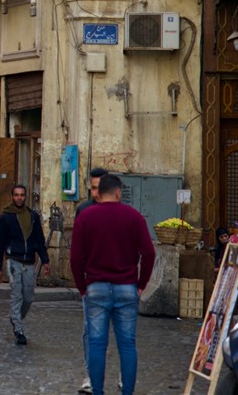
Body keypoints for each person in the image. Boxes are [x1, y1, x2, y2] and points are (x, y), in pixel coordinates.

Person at [71, 174, 156, 395]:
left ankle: (97, 390)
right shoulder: (134, 217)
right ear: (118, 192)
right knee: (127, 345)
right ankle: (127, 391)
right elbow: (149, 253)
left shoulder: (85, 218)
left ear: (99, 193)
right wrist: (141, 284)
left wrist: (82, 287)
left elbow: (76, 258)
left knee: (97, 344)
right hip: (127, 287)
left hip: (96, 287)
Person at [0, 184, 51, 346]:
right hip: (13, 260)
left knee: (28, 297)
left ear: (25, 197)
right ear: (12, 197)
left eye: (22, 195)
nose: (19, 198)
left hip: (29, 261)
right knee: (16, 294)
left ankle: (16, 317)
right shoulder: (5, 218)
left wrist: (45, 260)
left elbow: (39, 240)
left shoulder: (33, 217)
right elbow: (0, 243)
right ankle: (19, 330)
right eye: (16, 195)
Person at [74, 167, 107, 394]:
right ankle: (90, 374)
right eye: (94, 187)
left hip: (118, 280)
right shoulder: (83, 210)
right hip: (92, 279)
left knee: (121, 332)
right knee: (90, 329)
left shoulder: (120, 211)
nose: (97, 192)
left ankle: (124, 375)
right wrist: (81, 282)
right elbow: (78, 248)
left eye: (100, 187)